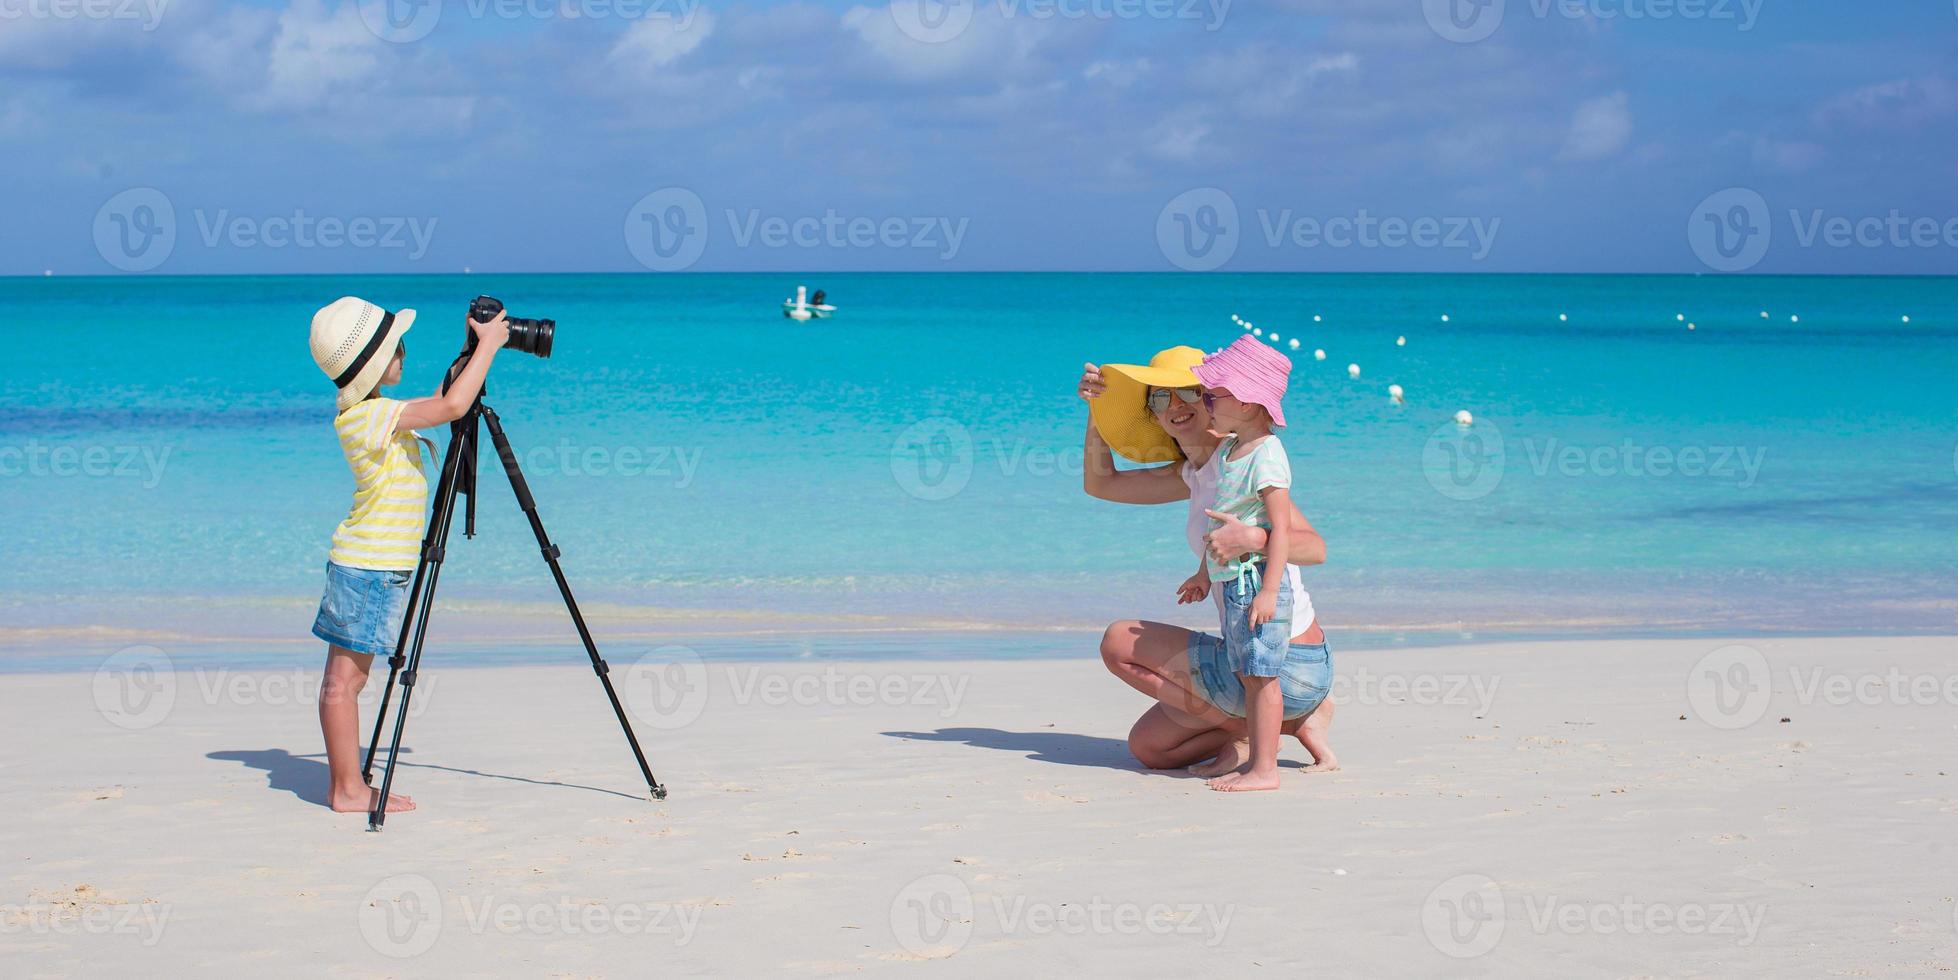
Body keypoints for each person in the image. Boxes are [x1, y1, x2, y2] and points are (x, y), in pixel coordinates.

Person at [1079, 345, 1338, 779]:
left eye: (1188, 391)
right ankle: (1259, 729)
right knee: (1150, 749)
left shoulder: (1243, 460)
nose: (1176, 406)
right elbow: (1100, 483)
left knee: (1119, 641)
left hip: (1288, 660)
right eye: (1161, 398)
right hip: (1245, 662)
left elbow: (1315, 548)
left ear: (1213, 397)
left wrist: (1253, 537)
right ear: (1154, 414)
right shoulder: (1191, 474)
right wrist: (1096, 408)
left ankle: (1272, 724)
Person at [305, 296, 508, 814]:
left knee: (346, 680)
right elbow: (451, 408)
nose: (405, 352)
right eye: (398, 345)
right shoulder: (366, 418)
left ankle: (345, 783)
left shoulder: (375, 413)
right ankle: (347, 790)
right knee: (345, 682)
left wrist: (469, 351)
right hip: (369, 568)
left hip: (370, 566)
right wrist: (489, 347)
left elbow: (443, 396)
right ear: (373, 362)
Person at [1182, 337, 1301, 792]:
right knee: (1246, 673)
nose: (1205, 402)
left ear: (1251, 405)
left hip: (1256, 587)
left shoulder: (1268, 453)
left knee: (1262, 676)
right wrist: (1201, 572)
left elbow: (1282, 531)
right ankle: (1258, 760)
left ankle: (1265, 770)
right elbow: (1221, 521)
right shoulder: (1232, 451)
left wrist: (1270, 591)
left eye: (1215, 395)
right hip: (1231, 583)